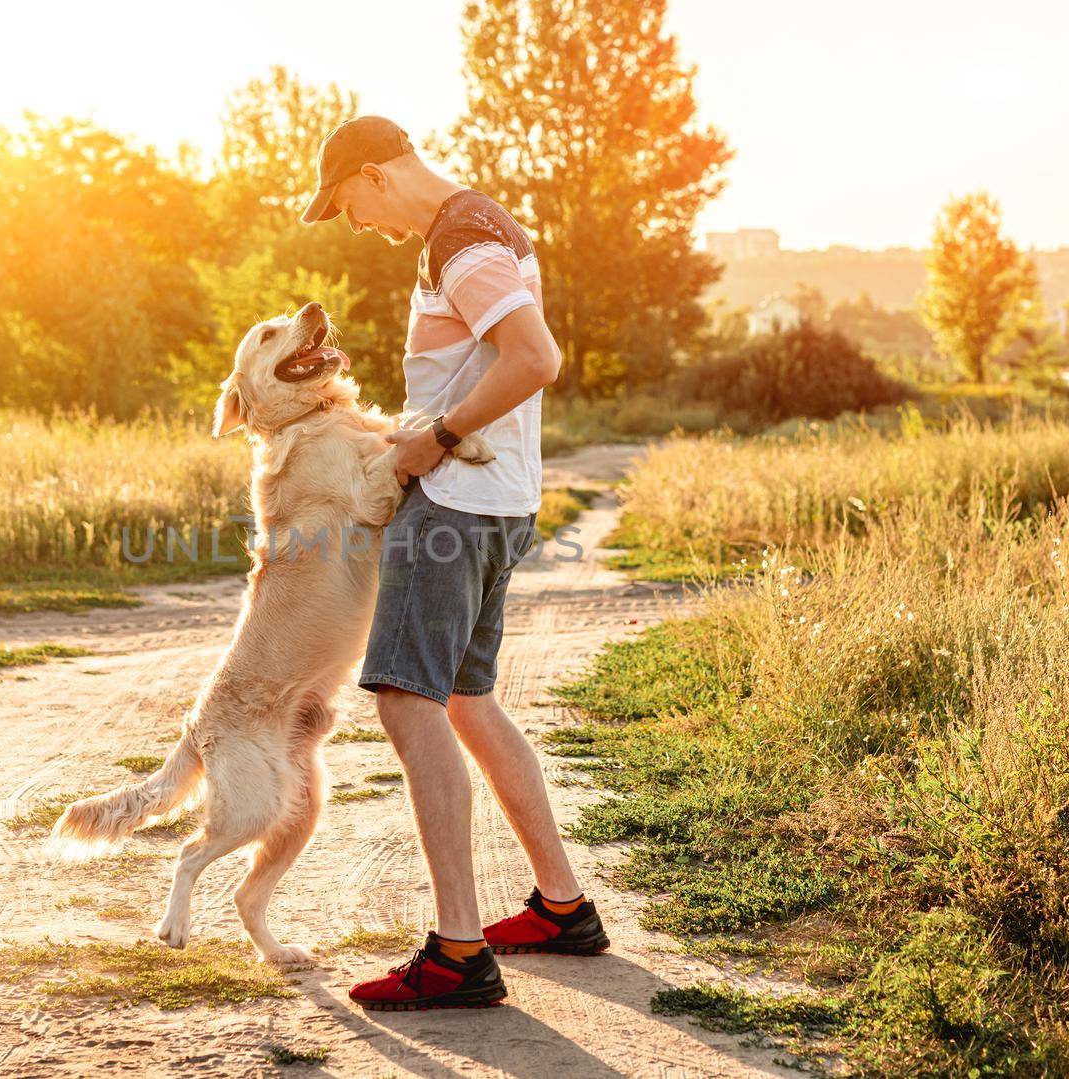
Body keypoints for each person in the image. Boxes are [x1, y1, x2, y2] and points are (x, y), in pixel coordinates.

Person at [299, 116, 609, 1012]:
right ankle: (563, 907)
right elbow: (487, 363)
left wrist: (432, 437)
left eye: (346, 203)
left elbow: (535, 358)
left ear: (376, 175)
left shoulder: (461, 238)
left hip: (455, 507)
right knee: (467, 699)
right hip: (499, 499)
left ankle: (458, 950)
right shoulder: (483, 225)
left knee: (407, 698)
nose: (352, 223)